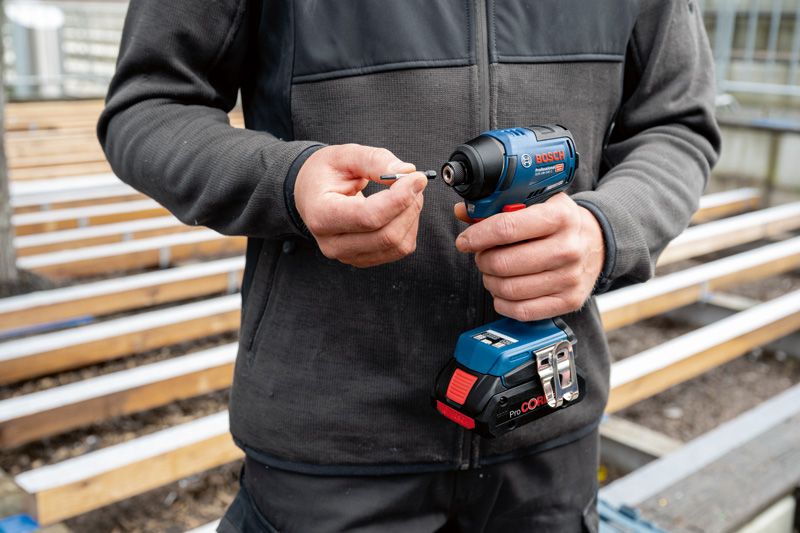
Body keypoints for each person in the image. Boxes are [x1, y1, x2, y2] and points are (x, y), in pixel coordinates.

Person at [98, 1, 720, 531]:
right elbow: (150, 104)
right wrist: (288, 181)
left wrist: (607, 229)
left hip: (546, 430)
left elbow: (675, 125)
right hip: (330, 449)